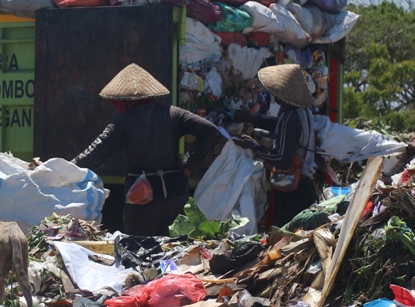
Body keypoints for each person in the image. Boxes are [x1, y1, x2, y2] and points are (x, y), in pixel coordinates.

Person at [71, 63, 219, 237]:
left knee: (139, 251)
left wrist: (63, 168)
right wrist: (190, 167)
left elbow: (95, 154)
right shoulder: (173, 113)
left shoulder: (124, 121)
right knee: (173, 252)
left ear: (123, 101)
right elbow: (210, 131)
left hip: (142, 198)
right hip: (176, 192)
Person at [232, 64, 317, 228]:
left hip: (293, 190)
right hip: (306, 185)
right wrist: (254, 119)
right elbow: (280, 126)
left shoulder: (289, 118)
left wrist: (253, 146)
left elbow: (282, 160)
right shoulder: (303, 112)